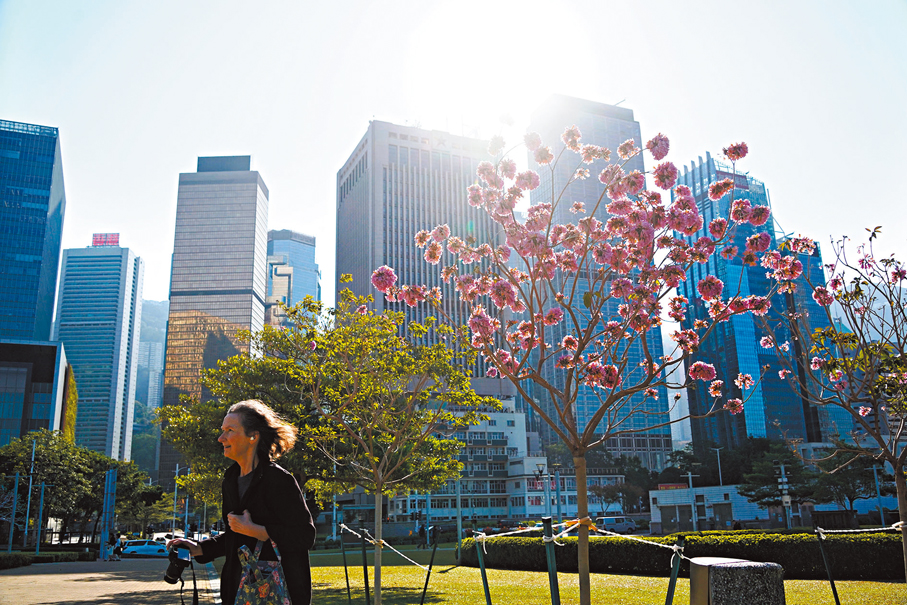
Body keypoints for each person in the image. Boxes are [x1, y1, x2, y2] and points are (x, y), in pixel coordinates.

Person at [168, 400, 316, 605]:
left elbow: (305, 536)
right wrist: (199, 548)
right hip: (236, 592)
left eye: (229, 430)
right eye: (222, 431)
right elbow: (235, 534)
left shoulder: (278, 480)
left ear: (253, 436)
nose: (221, 438)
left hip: (279, 594)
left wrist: (260, 531)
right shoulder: (231, 479)